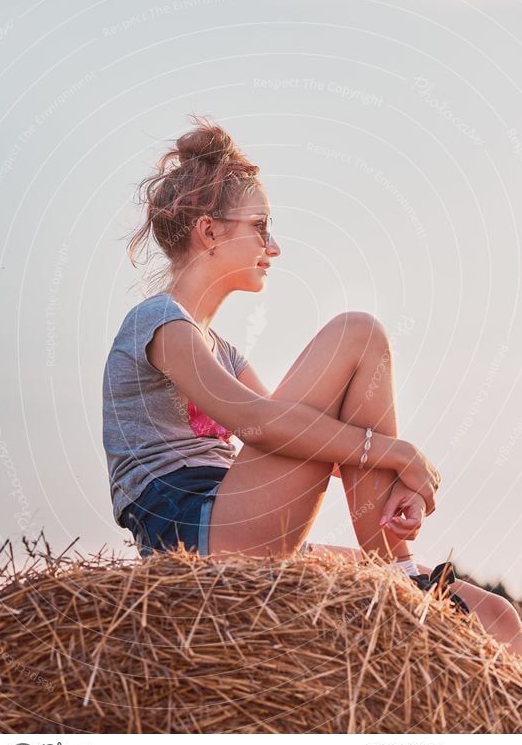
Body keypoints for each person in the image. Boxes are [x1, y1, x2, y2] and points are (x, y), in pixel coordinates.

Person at [102, 113, 522, 656]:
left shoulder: (222, 350)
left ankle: (399, 570)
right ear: (210, 231)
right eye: (260, 226)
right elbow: (265, 425)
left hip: (232, 526)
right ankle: (396, 569)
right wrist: (396, 454)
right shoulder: (158, 321)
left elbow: (311, 430)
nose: (272, 247)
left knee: (496, 615)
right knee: (358, 333)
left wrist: (401, 476)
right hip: (195, 534)